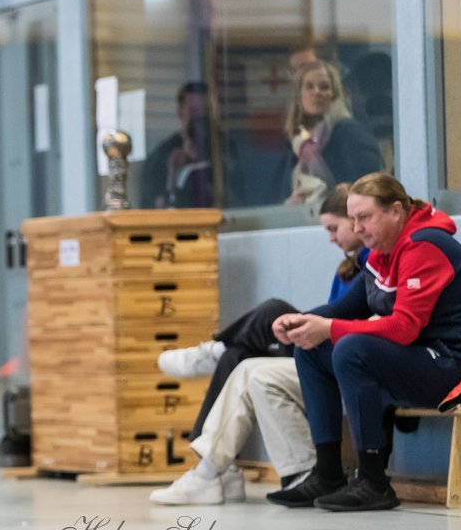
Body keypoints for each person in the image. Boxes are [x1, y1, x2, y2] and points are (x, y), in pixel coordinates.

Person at [150, 186, 369, 505]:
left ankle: (213, 353)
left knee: (274, 311)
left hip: (341, 358)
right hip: (325, 353)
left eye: (335, 228)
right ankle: (216, 471)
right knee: (240, 358)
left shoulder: (374, 264)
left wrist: (305, 324)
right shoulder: (348, 269)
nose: (331, 239)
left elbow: (355, 325)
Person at [269, 173, 461, 510]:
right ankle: (328, 472)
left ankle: (374, 480)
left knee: (351, 347)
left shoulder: (425, 245)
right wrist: (300, 322)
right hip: (420, 358)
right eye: (354, 218)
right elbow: (343, 309)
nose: (357, 228)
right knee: (312, 349)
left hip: (451, 366)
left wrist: (329, 328)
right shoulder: (381, 251)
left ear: (396, 211)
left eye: (364, 217)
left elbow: (403, 328)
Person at [284, 60, 383, 206]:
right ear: (299, 97)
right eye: (309, 86)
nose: (317, 92)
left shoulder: (350, 132)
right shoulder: (298, 145)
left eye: (324, 87)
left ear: (334, 95)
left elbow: (369, 187)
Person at [141, 81, 238, 209]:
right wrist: (174, 176)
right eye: (195, 111)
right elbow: (154, 205)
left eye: (207, 111)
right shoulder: (163, 155)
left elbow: (238, 198)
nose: (201, 118)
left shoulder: (226, 147)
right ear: (180, 111)